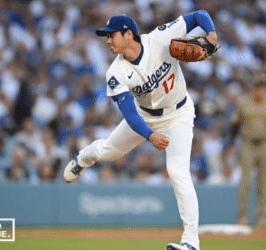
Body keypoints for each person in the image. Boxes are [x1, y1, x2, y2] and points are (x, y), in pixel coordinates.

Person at [64, 12, 217, 250]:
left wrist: (211, 34)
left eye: (112, 35)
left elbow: (199, 15)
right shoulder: (115, 73)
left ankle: (191, 242)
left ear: (128, 34)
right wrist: (149, 135)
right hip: (144, 117)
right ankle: (83, 158)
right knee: (107, 152)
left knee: (178, 172)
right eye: (107, 36)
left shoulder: (160, 38)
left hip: (179, 114)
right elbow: (130, 115)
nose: (108, 41)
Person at [228, 73, 266, 229]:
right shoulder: (243, 103)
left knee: (263, 182)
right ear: (252, 88)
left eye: (262, 87)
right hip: (247, 143)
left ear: (265, 89)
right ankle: (243, 216)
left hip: (265, 144)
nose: (259, 90)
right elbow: (235, 125)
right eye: (256, 87)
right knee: (245, 180)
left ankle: (261, 217)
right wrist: (231, 144)